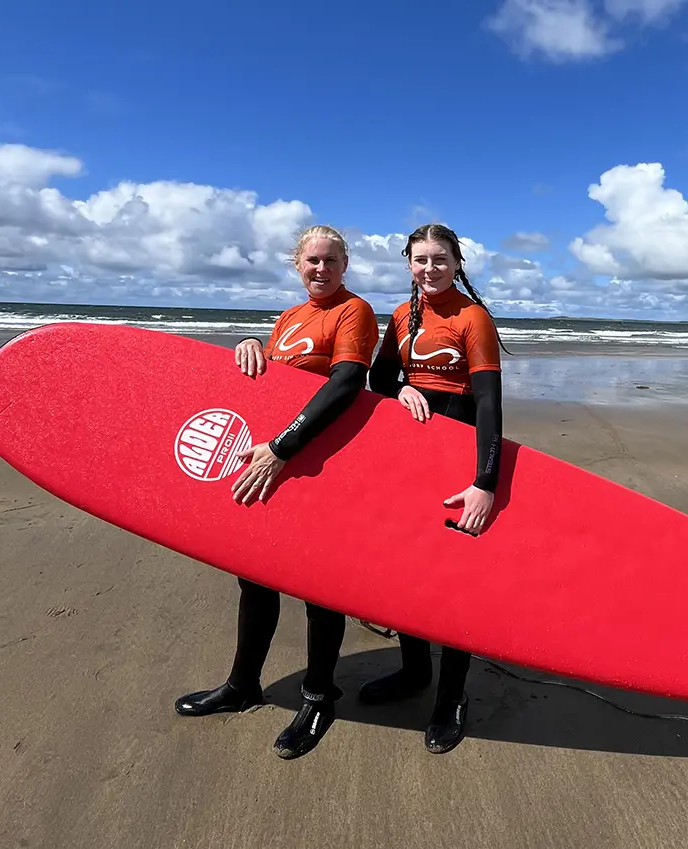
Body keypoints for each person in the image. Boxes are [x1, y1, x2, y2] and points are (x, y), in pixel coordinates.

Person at [174, 224, 379, 761]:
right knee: (255, 578)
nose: (321, 269)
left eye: (331, 261)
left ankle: (318, 696)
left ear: (345, 264)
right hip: (273, 468)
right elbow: (273, 383)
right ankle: (242, 685)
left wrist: (283, 448)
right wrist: (247, 347)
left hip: (317, 467)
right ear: (297, 264)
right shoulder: (289, 317)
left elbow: (345, 384)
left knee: (318, 587)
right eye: (312, 260)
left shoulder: (353, 311)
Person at [361, 222, 508, 754]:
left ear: (456, 262)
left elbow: (490, 403)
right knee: (407, 570)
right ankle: (414, 671)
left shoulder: (472, 317)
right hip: (414, 456)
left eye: (439, 259)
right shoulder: (402, 316)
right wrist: (401, 390)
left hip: (461, 452)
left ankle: (451, 697)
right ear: (408, 263)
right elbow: (378, 379)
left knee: (453, 581)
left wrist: (484, 483)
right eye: (420, 260)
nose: (430, 269)